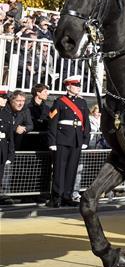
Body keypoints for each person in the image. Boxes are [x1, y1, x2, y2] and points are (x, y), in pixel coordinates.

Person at [46, 75, 90, 207]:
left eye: (78, 85)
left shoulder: (82, 103)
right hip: (62, 139)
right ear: (68, 86)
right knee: (59, 169)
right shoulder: (59, 102)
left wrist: (85, 139)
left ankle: (67, 195)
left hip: (76, 140)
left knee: (72, 169)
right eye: (75, 85)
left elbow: (86, 124)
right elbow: (52, 123)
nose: (78, 88)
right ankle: (56, 197)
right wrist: (52, 142)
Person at [0, 93, 17, 204]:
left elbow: (10, 136)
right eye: (3, 98)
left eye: (6, 98)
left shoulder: (7, 114)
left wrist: (11, 154)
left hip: (2, 149)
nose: (5, 100)